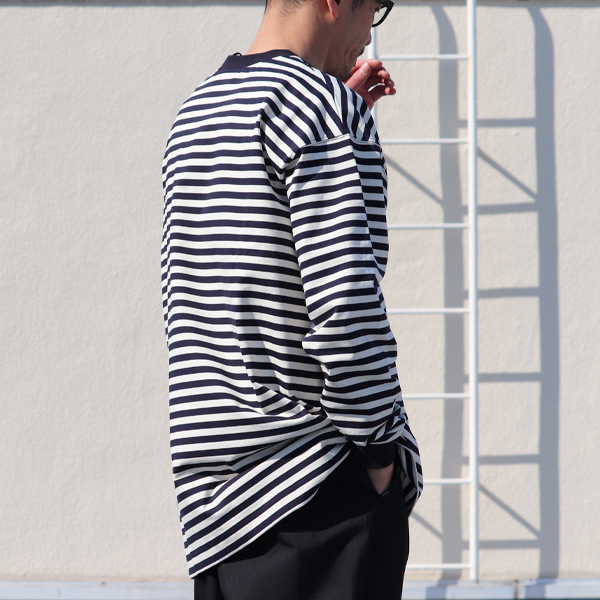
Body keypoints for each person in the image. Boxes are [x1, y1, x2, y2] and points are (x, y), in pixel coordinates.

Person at [161, 0, 423, 598]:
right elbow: (345, 309)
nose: (369, 33)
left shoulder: (197, 111)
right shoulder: (321, 111)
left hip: (217, 515)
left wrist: (337, 116)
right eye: (375, 8)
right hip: (321, 490)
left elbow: (212, 295)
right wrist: (382, 460)